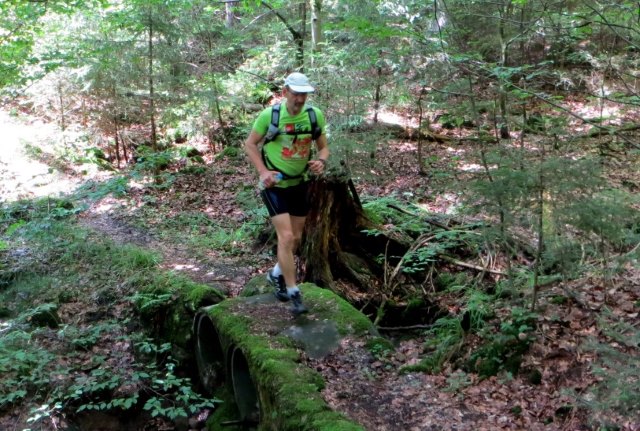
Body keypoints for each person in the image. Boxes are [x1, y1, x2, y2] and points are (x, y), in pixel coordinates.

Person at [244, 72, 329, 314]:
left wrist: (321, 161)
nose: (300, 99)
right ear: (285, 92)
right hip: (274, 187)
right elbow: (250, 144)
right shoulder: (270, 116)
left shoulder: (314, 116)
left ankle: (275, 274)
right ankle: (293, 291)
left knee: (297, 238)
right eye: (296, 93)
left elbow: (323, 148)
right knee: (287, 237)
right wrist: (262, 172)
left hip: (300, 183)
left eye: (304, 94)